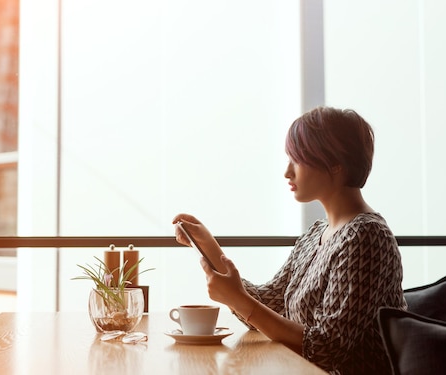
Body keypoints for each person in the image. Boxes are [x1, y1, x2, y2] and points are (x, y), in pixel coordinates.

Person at [173, 106, 407, 375]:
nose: (287, 172)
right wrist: (209, 247)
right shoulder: (316, 234)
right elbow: (270, 305)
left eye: (298, 159)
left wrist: (237, 300)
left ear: (335, 165)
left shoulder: (367, 237)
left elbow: (326, 348)